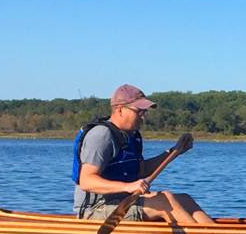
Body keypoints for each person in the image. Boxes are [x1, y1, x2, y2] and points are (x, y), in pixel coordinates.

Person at [72, 84, 215, 224]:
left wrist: (174, 152)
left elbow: (142, 171)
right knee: (164, 200)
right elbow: (86, 180)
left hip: (124, 202)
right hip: (95, 210)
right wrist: (127, 187)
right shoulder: (101, 135)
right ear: (120, 110)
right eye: (139, 111)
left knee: (185, 200)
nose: (143, 117)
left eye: (144, 112)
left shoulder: (132, 136)